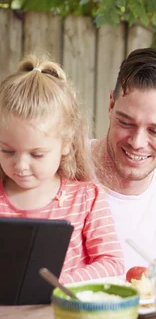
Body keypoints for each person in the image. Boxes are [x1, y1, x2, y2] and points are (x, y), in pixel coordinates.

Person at [0, 55, 124, 284]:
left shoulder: (87, 198)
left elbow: (113, 265)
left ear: (66, 143)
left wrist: (54, 283)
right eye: (7, 151)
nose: (20, 165)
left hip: (63, 317)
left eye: (37, 154)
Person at [91, 48, 156, 270]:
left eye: (155, 131)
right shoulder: (53, 166)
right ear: (111, 106)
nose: (137, 142)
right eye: (126, 123)